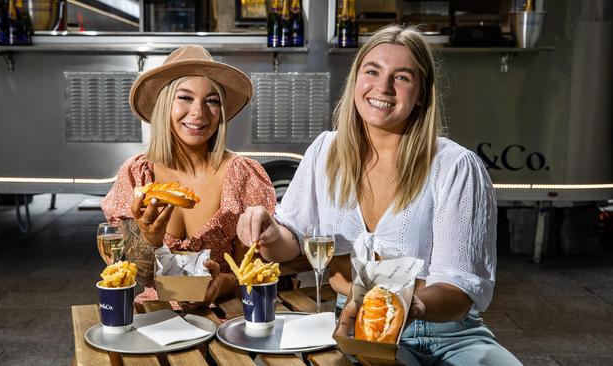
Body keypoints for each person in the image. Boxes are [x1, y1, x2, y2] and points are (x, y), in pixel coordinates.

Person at [237, 25, 521, 365]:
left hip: (449, 336)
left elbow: (459, 290)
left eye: (401, 77)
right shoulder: (326, 151)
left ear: (422, 93)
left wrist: (409, 305)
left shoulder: (455, 166)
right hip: (356, 328)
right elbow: (292, 238)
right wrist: (269, 232)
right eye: (372, 71)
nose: (383, 87)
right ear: (356, 80)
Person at [102, 45, 276, 308]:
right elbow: (138, 275)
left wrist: (226, 282)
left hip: (225, 314)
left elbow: (256, 273)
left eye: (212, 100)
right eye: (185, 98)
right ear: (164, 105)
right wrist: (149, 239)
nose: (199, 112)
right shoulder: (137, 174)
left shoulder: (242, 175)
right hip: (156, 314)